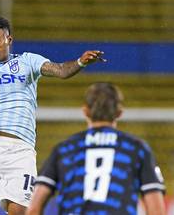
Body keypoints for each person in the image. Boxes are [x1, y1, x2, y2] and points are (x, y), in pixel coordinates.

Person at [0, 16, 105, 215]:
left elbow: (60, 71)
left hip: (20, 148)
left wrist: (80, 62)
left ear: (9, 39)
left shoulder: (28, 60)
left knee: (20, 210)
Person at [27, 82, 166, 215]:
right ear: (119, 112)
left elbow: (34, 208)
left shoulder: (65, 149)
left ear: (85, 111)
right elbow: (156, 210)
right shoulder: (136, 149)